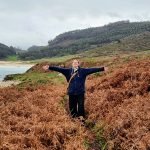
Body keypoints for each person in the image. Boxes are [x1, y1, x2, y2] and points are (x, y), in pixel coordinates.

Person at [43, 59, 108, 122]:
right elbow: (59, 69)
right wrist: (49, 67)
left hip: (80, 92)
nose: (75, 64)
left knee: (81, 106)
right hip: (71, 92)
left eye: (76, 62)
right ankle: (74, 119)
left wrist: (102, 68)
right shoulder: (68, 71)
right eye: (74, 63)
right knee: (72, 106)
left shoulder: (83, 71)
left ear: (78, 64)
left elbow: (92, 70)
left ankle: (82, 119)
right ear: (72, 64)